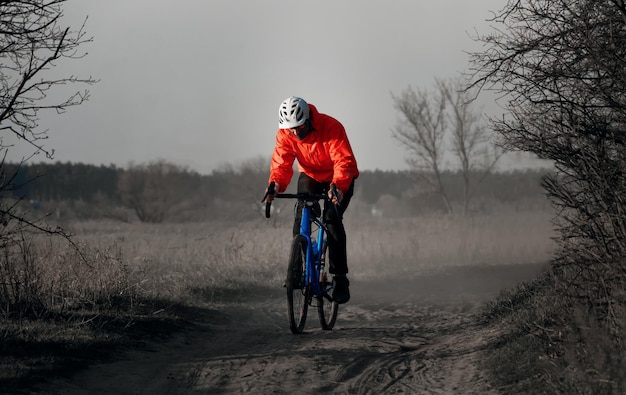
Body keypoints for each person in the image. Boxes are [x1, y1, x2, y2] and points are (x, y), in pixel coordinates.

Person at [264, 96, 359, 304]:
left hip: (339, 177)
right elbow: (281, 164)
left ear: (308, 119)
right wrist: (275, 186)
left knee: (332, 219)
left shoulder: (331, 126)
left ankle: (340, 278)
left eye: (299, 127)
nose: (295, 133)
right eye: (291, 129)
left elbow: (343, 162)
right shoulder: (285, 134)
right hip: (311, 176)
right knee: (300, 215)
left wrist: (338, 187)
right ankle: (297, 270)